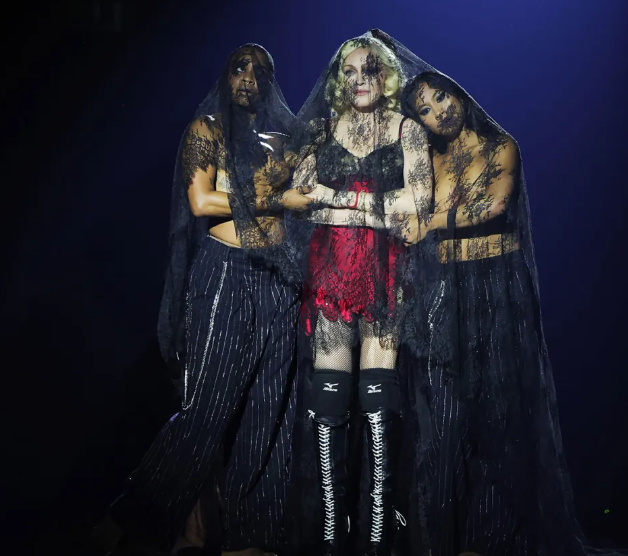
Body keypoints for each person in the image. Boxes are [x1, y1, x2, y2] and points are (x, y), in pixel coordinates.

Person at [96, 44, 312, 556]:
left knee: (270, 414)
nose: (249, 77)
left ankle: (252, 539)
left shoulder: (288, 138)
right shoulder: (208, 129)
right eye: (239, 67)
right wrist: (277, 197)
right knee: (206, 409)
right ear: (225, 76)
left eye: (260, 70)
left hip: (280, 279)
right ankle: (135, 519)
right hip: (225, 273)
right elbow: (201, 201)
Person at [285, 33, 433, 556]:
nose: (359, 79)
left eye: (369, 69)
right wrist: (370, 208)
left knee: (378, 403)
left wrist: (338, 200)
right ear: (338, 79)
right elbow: (299, 198)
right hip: (329, 273)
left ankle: (376, 539)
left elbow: (419, 200)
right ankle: (331, 536)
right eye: (348, 71)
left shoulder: (407, 129)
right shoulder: (322, 130)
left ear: (386, 75)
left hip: (386, 274)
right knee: (327, 404)